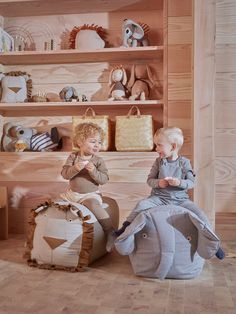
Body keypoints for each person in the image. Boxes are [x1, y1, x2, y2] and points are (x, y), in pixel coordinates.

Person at [115, 126, 225, 259]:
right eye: (156, 145)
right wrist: (159, 183)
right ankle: (124, 230)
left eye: (159, 145)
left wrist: (179, 183)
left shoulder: (184, 163)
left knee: (200, 214)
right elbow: (150, 180)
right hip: (158, 198)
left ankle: (214, 243)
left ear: (173, 147)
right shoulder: (159, 162)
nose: (156, 149)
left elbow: (191, 183)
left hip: (181, 200)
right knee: (141, 205)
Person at [60, 122, 115, 252]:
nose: (97, 145)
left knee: (93, 205)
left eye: (99, 142)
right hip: (71, 194)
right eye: (93, 141)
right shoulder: (73, 157)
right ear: (80, 142)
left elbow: (104, 179)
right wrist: (74, 168)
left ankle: (110, 232)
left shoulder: (98, 161)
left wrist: (93, 171)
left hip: (90, 195)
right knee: (55, 206)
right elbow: (65, 175)